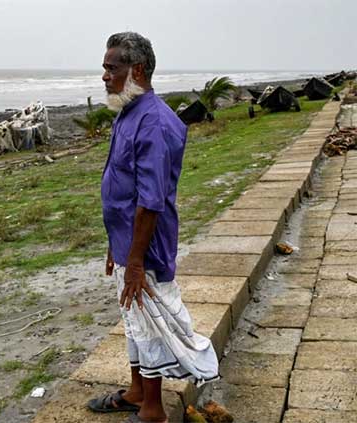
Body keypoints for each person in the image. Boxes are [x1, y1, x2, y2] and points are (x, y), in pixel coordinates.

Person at [86, 32, 219, 423]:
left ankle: (153, 411)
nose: (105, 76)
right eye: (105, 68)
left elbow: (150, 199)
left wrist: (138, 260)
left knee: (152, 322)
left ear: (137, 70)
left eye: (112, 68)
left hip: (148, 246)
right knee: (134, 318)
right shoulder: (129, 111)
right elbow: (123, 187)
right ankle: (136, 391)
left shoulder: (156, 123)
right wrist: (117, 243)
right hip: (128, 242)